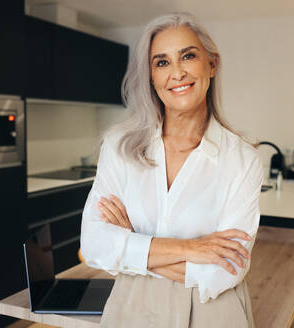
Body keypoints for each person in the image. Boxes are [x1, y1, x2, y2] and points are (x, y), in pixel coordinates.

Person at [80, 12, 263, 328]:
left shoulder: (243, 159)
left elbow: (224, 270)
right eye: (161, 62)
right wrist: (191, 249)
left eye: (188, 56)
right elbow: (95, 245)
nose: (177, 72)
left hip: (213, 312)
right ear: (151, 76)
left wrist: (131, 244)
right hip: (131, 308)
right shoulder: (118, 146)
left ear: (212, 64)